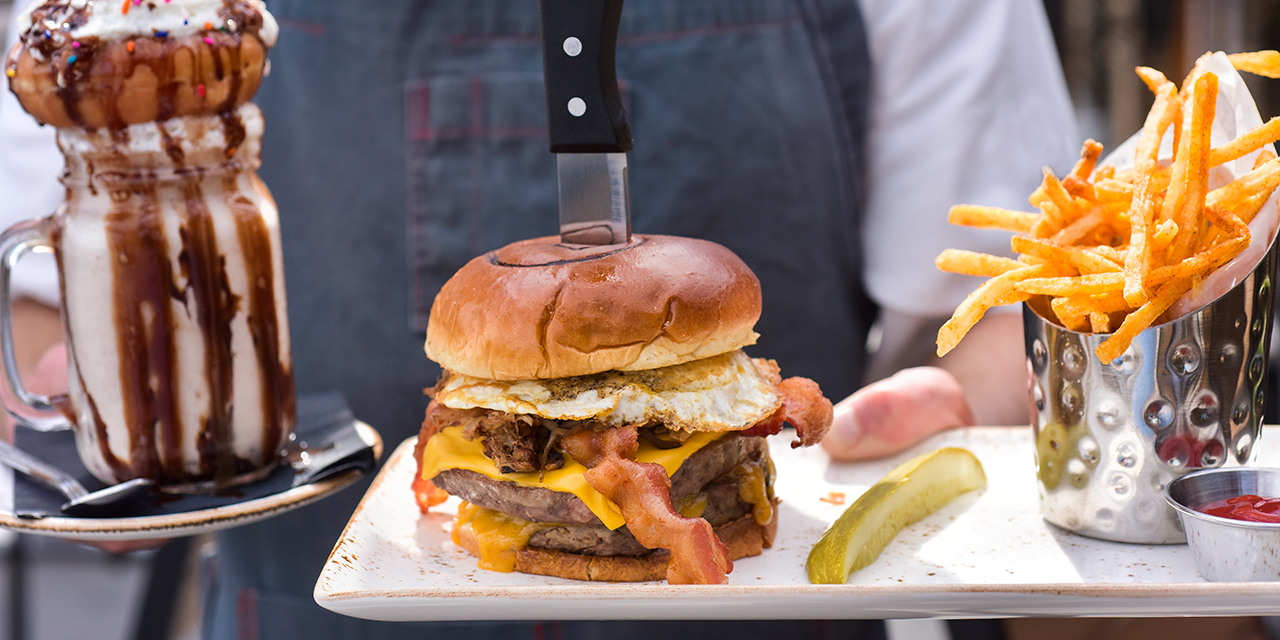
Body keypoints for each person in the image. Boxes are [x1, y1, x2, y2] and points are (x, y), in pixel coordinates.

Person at [0, 0, 1076, 637]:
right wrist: (88, 408)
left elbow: (994, 296)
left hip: (765, 607)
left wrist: (962, 398)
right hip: (304, 607)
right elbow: (35, 285)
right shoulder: (130, 39)